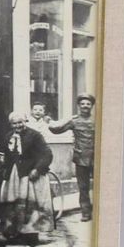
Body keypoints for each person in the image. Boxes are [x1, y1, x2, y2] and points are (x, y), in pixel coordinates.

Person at [0, 112, 54, 243]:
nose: (17, 125)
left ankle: (34, 233)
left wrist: (37, 169)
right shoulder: (8, 136)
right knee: (14, 203)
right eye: (14, 123)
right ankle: (15, 231)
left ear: (25, 122)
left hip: (30, 173)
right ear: (11, 124)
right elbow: (8, 156)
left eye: (20, 122)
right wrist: (4, 167)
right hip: (15, 174)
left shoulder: (35, 135)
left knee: (33, 203)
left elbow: (47, 154)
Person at [49, 93, 95, 222]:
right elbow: (55, 130)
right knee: (83, 187)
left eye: (88, 104)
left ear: (91, 106)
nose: (85, 106)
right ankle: (86, 212)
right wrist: (61, 119)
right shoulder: (74, 121)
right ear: (79, 106)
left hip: (97, 158)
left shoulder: (97, 120)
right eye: (82, 104)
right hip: (81, 158)